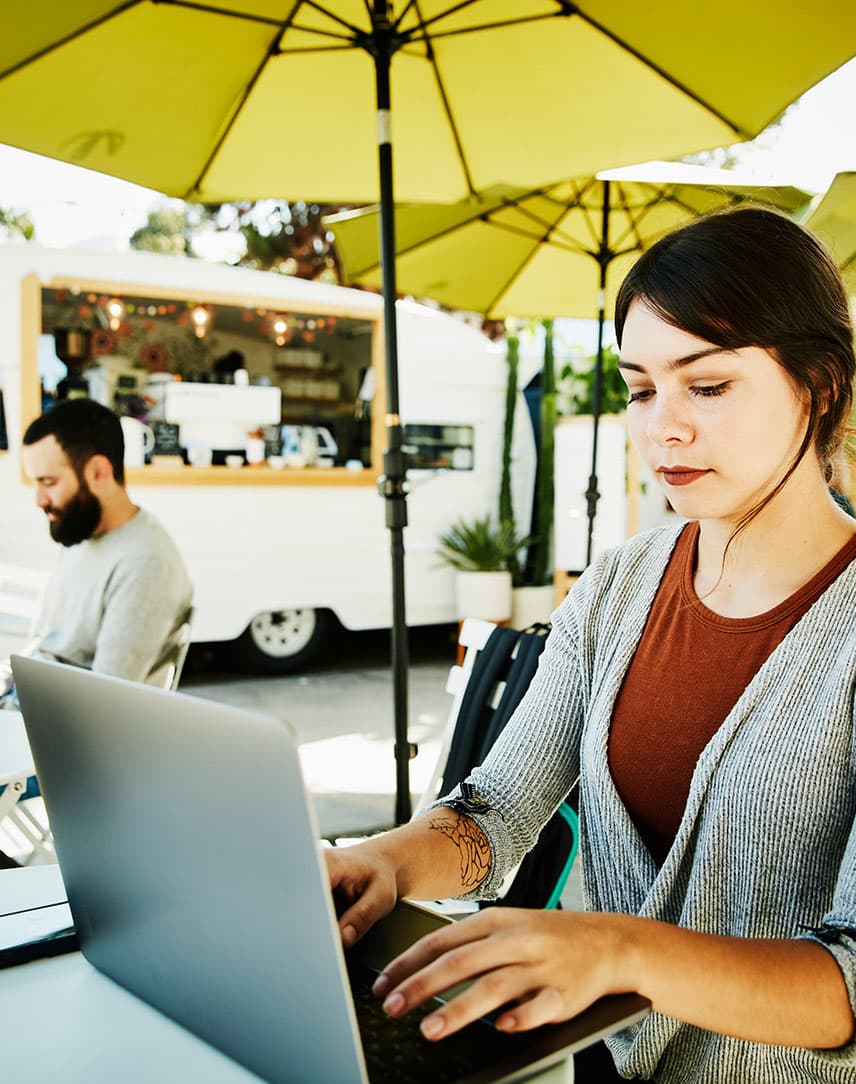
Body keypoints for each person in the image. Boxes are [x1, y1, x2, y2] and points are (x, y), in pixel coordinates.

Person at [325, 206, 856, 1083]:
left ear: (823, 385)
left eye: (708, 385)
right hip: (596, 1062)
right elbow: (493, 817)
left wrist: (619, 950)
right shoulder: (616, 588)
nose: (662, 428)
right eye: (642, 389)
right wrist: (382, 860)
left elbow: (848, 983)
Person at [1, 398, 193, 701]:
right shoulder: (81, 529)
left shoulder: (145, 563)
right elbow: (45, 648)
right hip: (27, 702)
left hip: (58, 728)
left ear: (99, 473)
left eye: (48, 482)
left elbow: (101, 706)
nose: (39, 499)